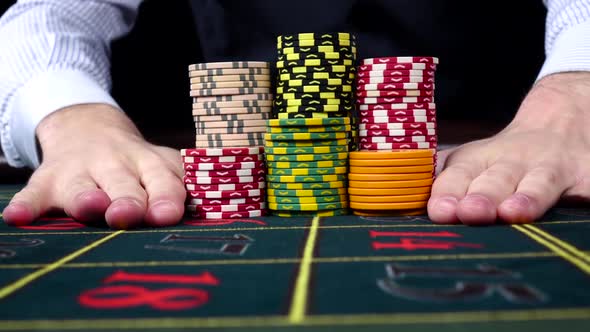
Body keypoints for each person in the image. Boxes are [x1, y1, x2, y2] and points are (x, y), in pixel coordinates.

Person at [0, 0, 588, 229]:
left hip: (488, 143)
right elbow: (50, 15)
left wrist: (571, 100)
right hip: (250, 153)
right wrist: (73, 118)